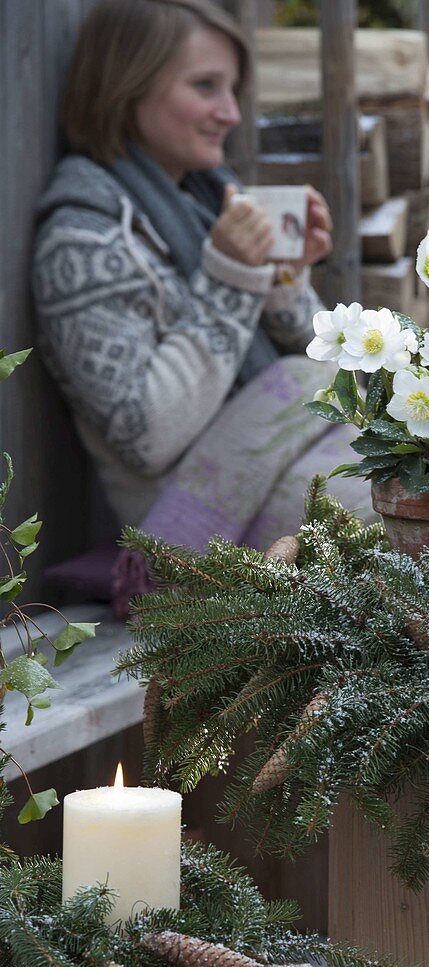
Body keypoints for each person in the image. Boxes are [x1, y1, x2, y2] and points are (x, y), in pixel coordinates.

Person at [32, 0, 370, 613]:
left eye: (233, 89)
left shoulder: (207, 207)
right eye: (205, 86)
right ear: (127, 87)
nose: (231, 113)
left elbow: (318, 371)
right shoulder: (82, 241)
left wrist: (284, 277)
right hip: (199, 522)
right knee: (401, 512)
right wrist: (235, 275)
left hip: (279, 471)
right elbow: (146, 436)